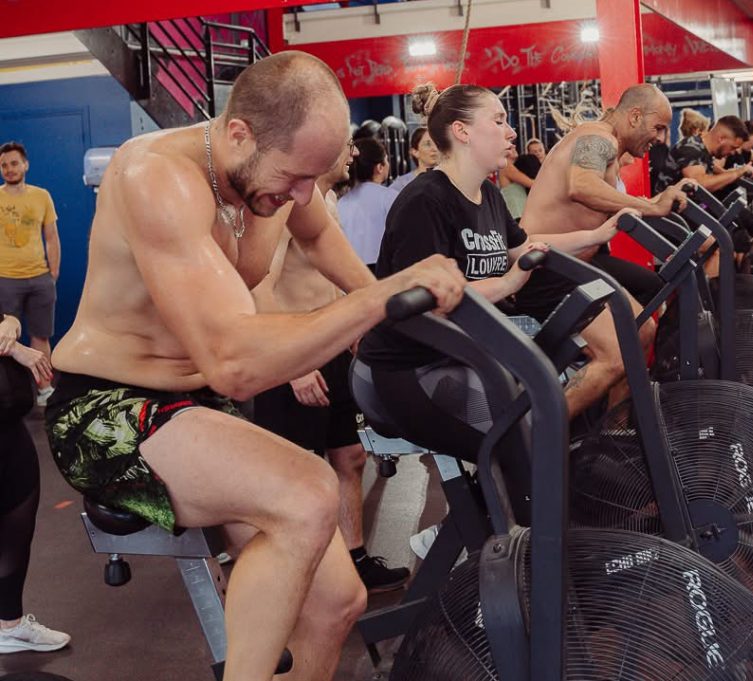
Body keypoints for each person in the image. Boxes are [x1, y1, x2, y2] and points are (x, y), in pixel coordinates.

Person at [43, 51, 466, 681]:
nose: (304, 196)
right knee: (309, 490)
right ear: (238, 131)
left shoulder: (276, 177)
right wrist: (379, 297)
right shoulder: (158, 178)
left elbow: (320, 236)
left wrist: (395, 314)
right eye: (296, 177)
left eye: (313, 181)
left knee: (337, 601)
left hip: (193, 408)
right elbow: (235, 365)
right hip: (105, 410)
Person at [357, 81, 637, 447]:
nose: (512, 132)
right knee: (519, 444)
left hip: (463, 356)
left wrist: (597, 235)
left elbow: (524, 247)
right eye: (500, 121)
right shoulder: (424, 200)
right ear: (462, 132)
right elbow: (427, 299)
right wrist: (506, 284)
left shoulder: (488, 193)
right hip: (410, 367)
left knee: (556, 426)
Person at [252, 147, 409, 594]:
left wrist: (355, 323)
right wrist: (294, 364)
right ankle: (302, 577)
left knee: (350, 456)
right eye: (345, 144)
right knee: (298, 474)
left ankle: (353, 558)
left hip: (333, 345)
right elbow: (261, 288)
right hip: (297, 354)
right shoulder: (281, 209)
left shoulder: (327, 201)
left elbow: (331, 274)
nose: (355, 152)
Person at [518, 84, 692, 413]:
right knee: (614, 358)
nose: (658, 138)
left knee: (642, 332)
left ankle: (613, 439)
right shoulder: (599, 138)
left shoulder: (606, 144)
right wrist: (653, 206)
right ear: (635, 116)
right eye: (657, 128)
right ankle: (531, 445)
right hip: (545, 270)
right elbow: (581, 186)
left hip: (576, 266)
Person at [0, 312, 68, 655]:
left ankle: (9, 626)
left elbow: (4, 316)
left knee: (16, 528)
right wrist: (15, 350)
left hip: (10, 426)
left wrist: (10, 325)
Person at [0, 142, 60, 405]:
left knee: (40, 335)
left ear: (25, 165)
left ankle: (44, 389)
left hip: (39, 278)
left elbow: (52, 237)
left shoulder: (41, 196)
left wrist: (53, 273)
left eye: (14, 163)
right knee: (5, 336)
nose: (9, 169)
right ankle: (8, 392)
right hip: (5, 279)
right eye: (4, 165)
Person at [337, 137, 398, 274]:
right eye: (387, 160)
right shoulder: (390, 197)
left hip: (350, 272)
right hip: (385, 272)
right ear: (380, 167)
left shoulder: (341, 203)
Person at [389, 128, 438, 194]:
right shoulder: (402, 184)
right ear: (415, 152)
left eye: (437, 143)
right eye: (428, 144)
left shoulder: (449, 179)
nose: (434, 149)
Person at [497, 144, 534, 221]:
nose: (514, 147)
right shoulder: (506, 166)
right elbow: (531, 183)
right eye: (510, 148)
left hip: (518, 211)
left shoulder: (510, 166)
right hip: (516, 212)